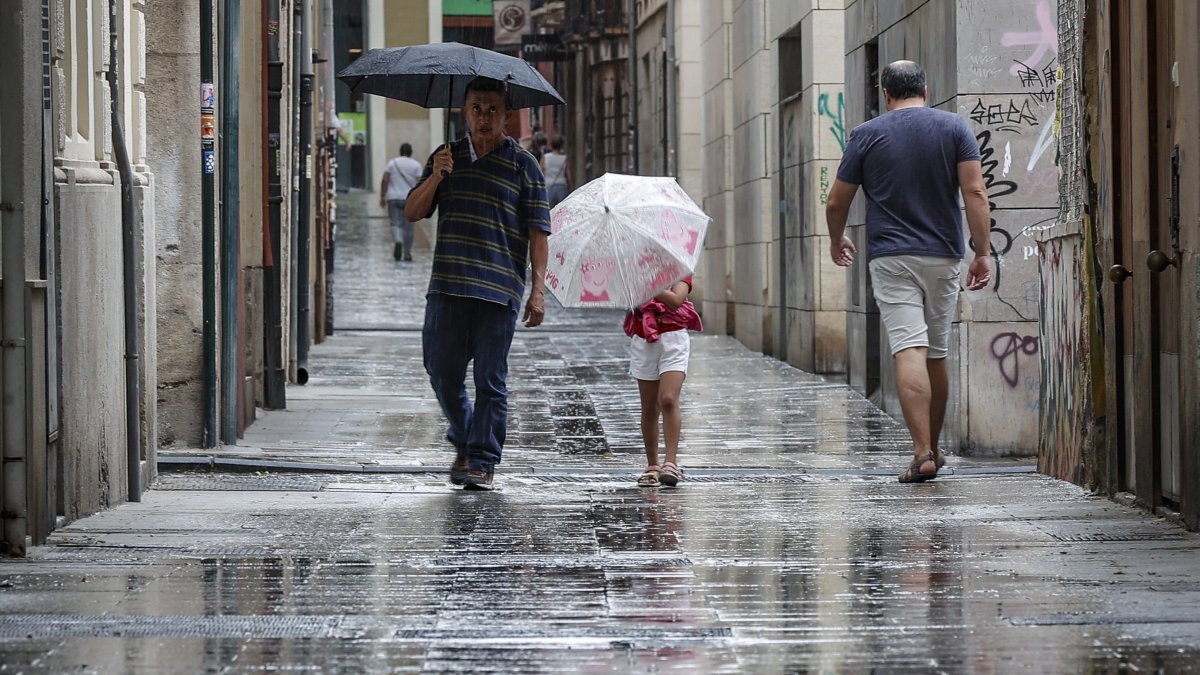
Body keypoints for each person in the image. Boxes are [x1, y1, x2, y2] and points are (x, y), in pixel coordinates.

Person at [824, 60, 992, 484]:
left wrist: (836, 238)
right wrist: (983, 252)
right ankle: (933, 447)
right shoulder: (955, 128)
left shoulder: (866, 135)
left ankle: (920, 453)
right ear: (926, 88)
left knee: (908, 348)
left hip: (891, 256)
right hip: (944, 255)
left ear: (885, 94)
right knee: (935, 352)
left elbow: (835, 202)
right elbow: (974, 190)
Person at [404, 77, 551, 491]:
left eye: (492, 109)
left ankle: (483, 460)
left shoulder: (525, 166)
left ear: (506, 115)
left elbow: (539, 234)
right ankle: (467, 438)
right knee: (440, 371)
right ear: (463, 111)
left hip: (499, 289)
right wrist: (436, 177)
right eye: (476, 108)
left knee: (491, 381)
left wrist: (537, 290)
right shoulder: (445, 157)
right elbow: (413, 213)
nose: (484, 117)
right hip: (448, 287)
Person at [624, 278, 702, 487]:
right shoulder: (633, 272)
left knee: (668, 399)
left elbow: (676, 300)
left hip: (674, 339)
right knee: (649, 407)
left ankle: (670, 463)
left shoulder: (680, 269)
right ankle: (652, 466)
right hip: (643, 340)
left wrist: (648, 287)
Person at [380, 143, 424, 261]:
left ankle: (398, 241)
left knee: (395, 223)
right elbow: (420, 183)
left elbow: (385, 179)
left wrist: (382, 196)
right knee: (409, 227)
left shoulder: (392, 163)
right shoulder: (416, 165)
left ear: (400, 151)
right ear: (411, 152)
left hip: (393, 198)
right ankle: (407, 253)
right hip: (410, 199)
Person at [542, 135, 571, 208]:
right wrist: (571, 186)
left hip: (548, 186)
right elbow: (569, 176)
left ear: (551, 145)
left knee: (549, 212)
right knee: (562, 211)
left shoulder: (545, 157)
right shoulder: (564, 158)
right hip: (562, 186)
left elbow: (541, 173)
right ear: (561, 146)